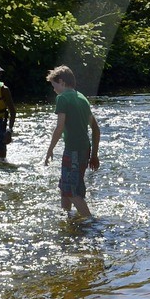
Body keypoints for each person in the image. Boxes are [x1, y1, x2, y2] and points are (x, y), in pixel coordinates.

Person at [42, 65, 100, 219]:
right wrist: (94, 154)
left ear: (61, 82)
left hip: (73, 150)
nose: (54, 89)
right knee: (65, 187)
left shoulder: (62, 98)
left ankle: (92, 222)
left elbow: (59, 127)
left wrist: (50, 150)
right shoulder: (82, 98)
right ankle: (66, 217)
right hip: (84, 149)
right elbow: (96, 128)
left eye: (54, 85)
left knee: (72, 192)